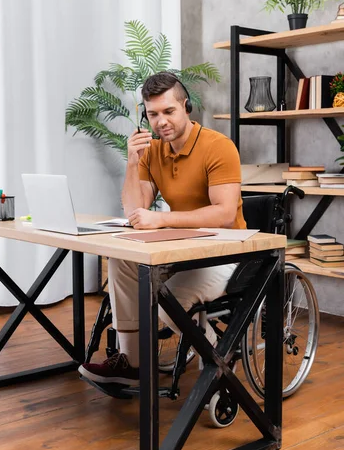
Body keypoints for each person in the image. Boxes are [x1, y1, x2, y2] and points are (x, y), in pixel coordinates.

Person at [78, 71, 246, 386]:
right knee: (123, 260)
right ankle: (134, 363)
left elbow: (224, 214)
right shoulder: (152, 151)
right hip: (181, 248)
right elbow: (133, 209)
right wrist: (132, 161)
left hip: (225, 252)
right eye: (153, 114)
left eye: (169, 111)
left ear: (186, 107)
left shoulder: (218, 146)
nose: (161, 121)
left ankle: (219, 355)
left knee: (168, 303)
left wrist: (164, 219)